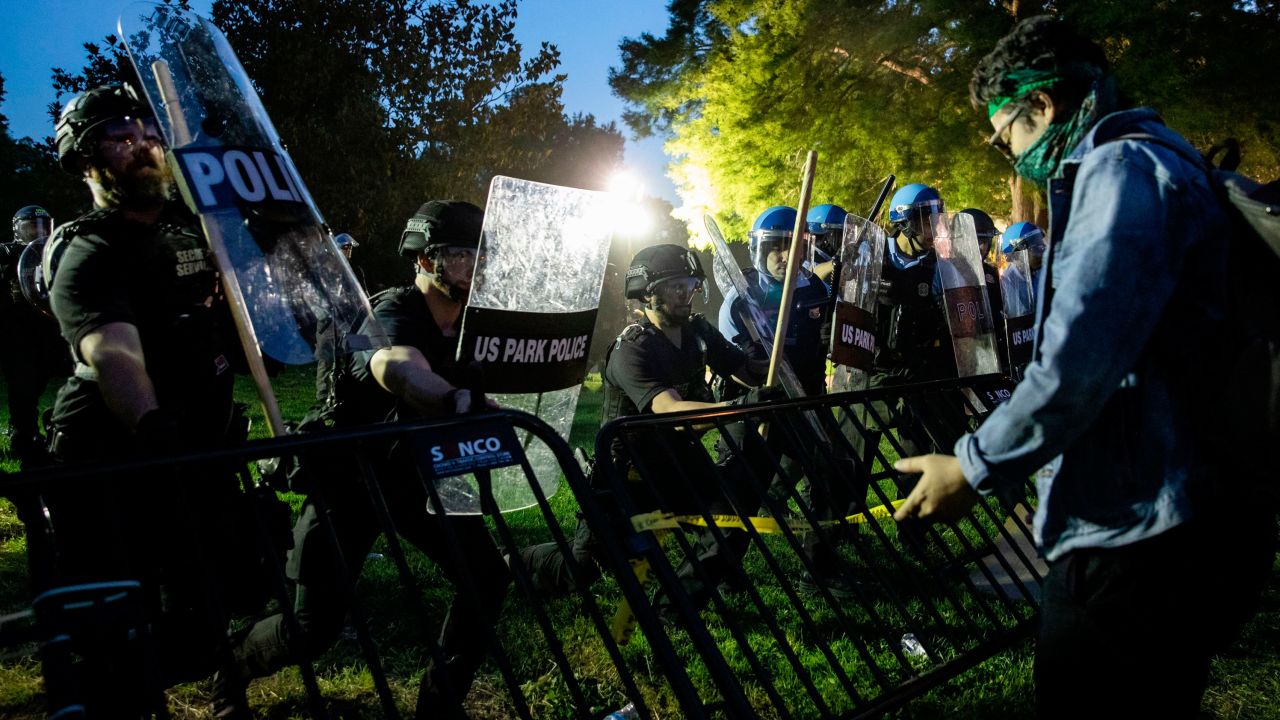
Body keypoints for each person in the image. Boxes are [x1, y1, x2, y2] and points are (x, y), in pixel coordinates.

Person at [893, 16, 1276, 720]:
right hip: (1185, 512)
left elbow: (1079, 358)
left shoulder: (1121, 169)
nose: (1010, 157)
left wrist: (973, 467)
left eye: (1006, 133)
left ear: (1041, 104)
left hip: (1135, 531)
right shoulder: (1169, 159)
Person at [217, 200, 510, 720]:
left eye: (482, 255)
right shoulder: (388, 311)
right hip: (350, 478)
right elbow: (395, 365)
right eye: (463, 255)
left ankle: (438, 709)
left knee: (486, 577)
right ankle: (233, 667)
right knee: (313, 628)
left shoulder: (472, 326)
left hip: (417, 477)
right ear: (425, 260)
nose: (476, 267)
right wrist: (450, 399)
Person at [43, 82, 254, 715]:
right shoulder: (90, 251)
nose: (142, 147)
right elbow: (114, 354)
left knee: (211, 611)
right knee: (118, 633)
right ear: (86, 160)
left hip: (197, 449)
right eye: (120, 138)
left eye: (148, 135)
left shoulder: (197, 232)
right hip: (117, 462)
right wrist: (152, 424)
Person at [520, 243, 767, 613]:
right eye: (675, 287)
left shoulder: (697, 332)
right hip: (627, 475)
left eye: (691, 284)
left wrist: (772, 354)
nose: (687, 295)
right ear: (647, 292)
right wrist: (738, 407)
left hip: (681, 462)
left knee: (728, 519)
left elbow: (748, 372)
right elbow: (669, 410)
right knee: (586, 570)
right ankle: (513, 562)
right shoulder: (631, 349)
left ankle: (676, 607)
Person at [717, 206, 859, 595]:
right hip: (756, 407)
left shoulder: (814, 288)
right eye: (776, 247)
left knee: (834, 471)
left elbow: (830, 338)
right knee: (743, 492)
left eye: (793, 246)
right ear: (757, 249)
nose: (785, 256)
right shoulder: (740, 298)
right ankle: (720, 572)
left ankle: (820, 569)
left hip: (807, 405)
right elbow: (733, 365)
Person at [0, 205, 69, 464]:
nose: (37, 232)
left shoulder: (58, 248)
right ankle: (25, 438)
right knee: (23, 387)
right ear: (18, 229)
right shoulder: (10, 251)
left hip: (53, 327)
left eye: (42, 226)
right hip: (20, 332)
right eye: (31, 226)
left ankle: (66, 427)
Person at [998, 221, 1046, 318]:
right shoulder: (1008, 282)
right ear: (1016, 254)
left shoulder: (1041, 271)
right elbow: (1020, 318)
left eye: (1041, 245)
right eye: (1035, 248)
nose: (1041, 253)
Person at [806, 202, 846, 284]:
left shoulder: (829, 256)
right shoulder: (806, 257)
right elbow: (813, 274)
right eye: (841, 233)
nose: (845, 238)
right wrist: (836, 261)